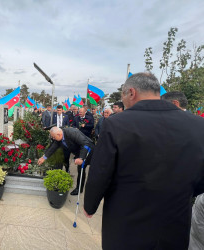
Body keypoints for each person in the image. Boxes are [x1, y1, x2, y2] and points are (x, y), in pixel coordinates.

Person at [83, 72, 204, 249]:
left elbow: (100, 171)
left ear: (131, 92)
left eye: (122, 95)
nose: (122, 101)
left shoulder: (117, 124)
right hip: (174, 223)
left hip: (127, 224)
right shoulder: (198, 125)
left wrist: (90, 205)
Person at [37, 127, 94, 195]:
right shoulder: (59, 138)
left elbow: (85, 143)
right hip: (79, 152)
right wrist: (44, 157)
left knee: (93, 170)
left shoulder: (71, 132)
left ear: (58, 134)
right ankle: (79, 189)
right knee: (80, 170)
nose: (53, 139)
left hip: (89, 151)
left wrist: (81, 158)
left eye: (54, 137)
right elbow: (53, 147)